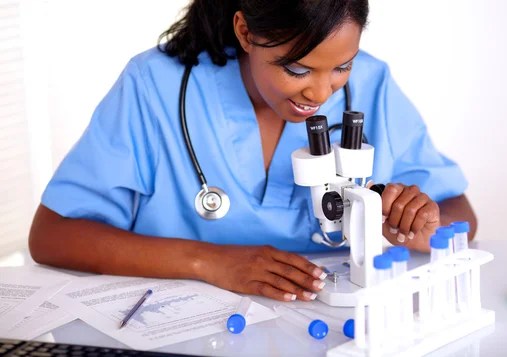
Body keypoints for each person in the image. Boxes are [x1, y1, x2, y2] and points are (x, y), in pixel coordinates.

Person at [29, 0, 477, 303]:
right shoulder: (156, 85)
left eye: (342, 65)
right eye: (296, 68)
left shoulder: (372, 84)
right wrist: (208, 262)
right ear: (245, 31)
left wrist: (422, 226)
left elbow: (461, 215)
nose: (321, 92)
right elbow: (51, 236)